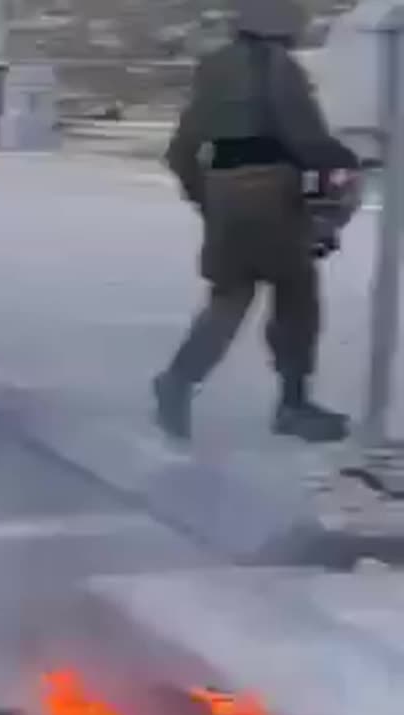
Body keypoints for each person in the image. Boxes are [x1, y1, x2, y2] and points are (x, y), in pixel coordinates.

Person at [153, 0, 361, 443]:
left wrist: (209, 200)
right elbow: (306, 140)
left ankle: (177, 382)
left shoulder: (214, 67)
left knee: (229, 297)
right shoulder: (279, 67)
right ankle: (293, 402)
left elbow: (180, 151)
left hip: (226, 195)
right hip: (273, 194)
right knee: (297, 296)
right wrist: (340, 179)